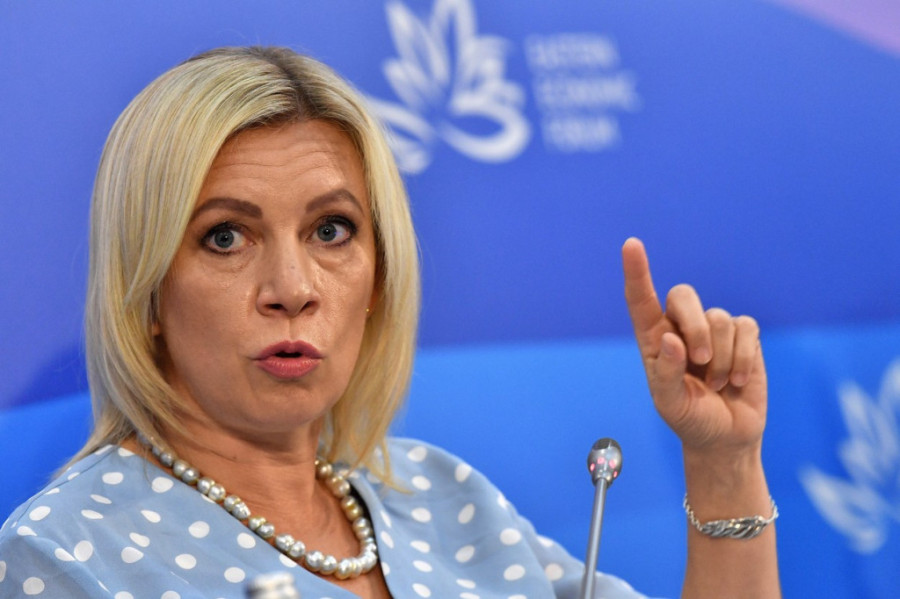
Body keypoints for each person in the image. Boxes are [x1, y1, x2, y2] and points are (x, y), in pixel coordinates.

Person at [0, 46, 779, 598]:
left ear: (379, 276)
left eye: (330, 230)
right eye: (226, 236)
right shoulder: (62, 557)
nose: (292, 288)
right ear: (145, 291)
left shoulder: (444, 498)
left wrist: (724, 463)